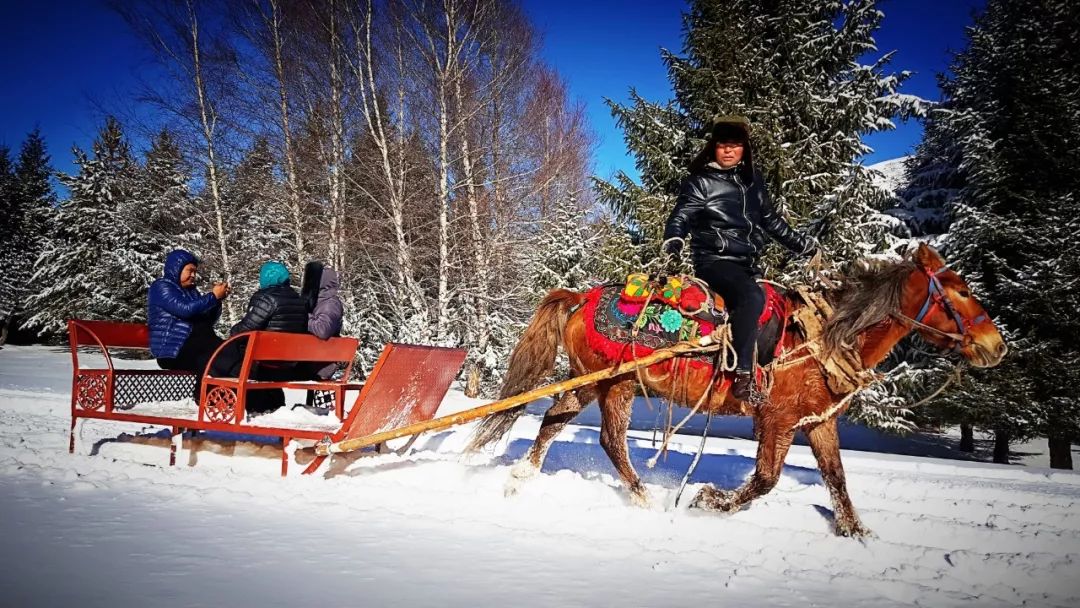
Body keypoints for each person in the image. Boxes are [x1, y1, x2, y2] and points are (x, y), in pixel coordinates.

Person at [663, 115, 816, 401]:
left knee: (778, 305)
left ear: (744, 148)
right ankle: (743, 376)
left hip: (747, 264)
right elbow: (681, 215)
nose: (729, 151)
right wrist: (674, 238)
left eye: (735, 145)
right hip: (714, 262)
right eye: (723, 145)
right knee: (752, 298)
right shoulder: (701, 182)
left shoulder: (753, 181)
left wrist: (803, 245)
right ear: (713, 148)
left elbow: (771, 221)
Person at [210, 261, 308, 413]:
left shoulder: (265, 298)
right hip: (288, 365)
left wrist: (233, 330)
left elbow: (245, 329)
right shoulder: (300, 300)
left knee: (219, 359)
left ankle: (215, 401)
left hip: (264, 365)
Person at [148, 249, 230, 396]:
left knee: (228, 353)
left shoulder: (192, 292)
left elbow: (208, 319)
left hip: (194, 345)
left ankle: (228, 396)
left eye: (195, 271)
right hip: (172, 350)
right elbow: (185, 309)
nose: (193, 275)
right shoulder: (161, 287)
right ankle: (204, 397)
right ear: (176, 269)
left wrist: (217, 301)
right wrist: (212, 297)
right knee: (212, 357)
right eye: (190, 271)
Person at [300, 261, 344, 380]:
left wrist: (302, 316)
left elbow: (323, 329)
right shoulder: (317, 302)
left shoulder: (331, 303)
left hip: (320, 366)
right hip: (312, 360)